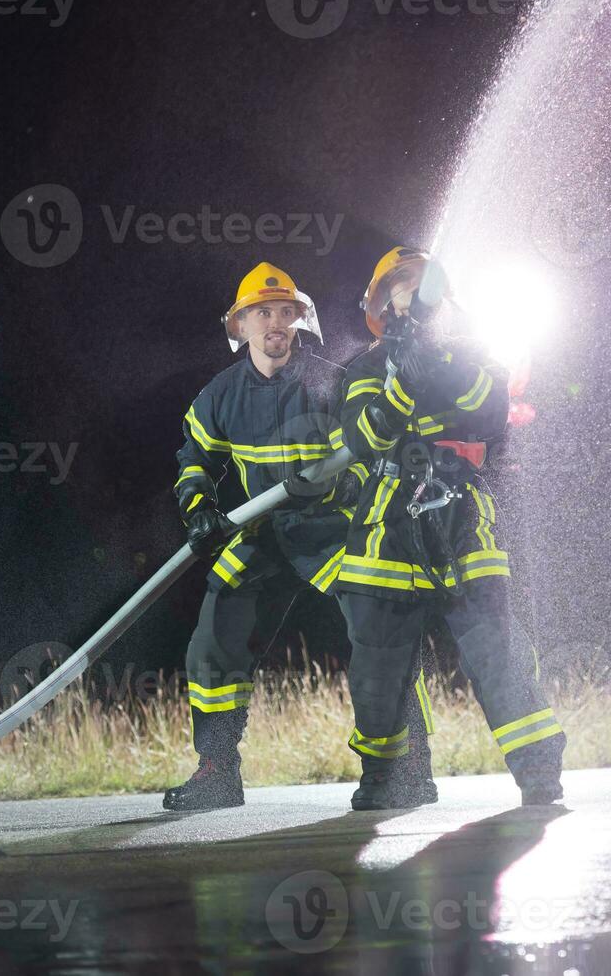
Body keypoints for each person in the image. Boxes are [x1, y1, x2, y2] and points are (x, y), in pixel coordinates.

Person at [162, 262, 436, 811]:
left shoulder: (334, 379)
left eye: (286, 312)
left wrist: (338, 487)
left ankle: (407, 768)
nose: (275, 323)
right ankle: (218, 773)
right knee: (215, 633)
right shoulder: (219, 396)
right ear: (239, 327)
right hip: (262, 533)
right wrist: (199, 509)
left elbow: (375, 451)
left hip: (337, 528)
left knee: (381, 632)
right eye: (262, 313)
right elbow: (194, 459)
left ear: (300, 321)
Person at [335, 245, 566, 810]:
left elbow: (489, 414)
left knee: (495, 646)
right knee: (378, 657)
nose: (415, 288)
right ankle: (393, 775)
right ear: (382, 300)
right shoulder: (366, 367)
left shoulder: (475, 352)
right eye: (402, 281)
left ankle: (538, 768)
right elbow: (361, 439)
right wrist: (402, 383)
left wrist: (440, 361)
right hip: (387, 516)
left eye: (423, 279)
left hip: (461, 504)